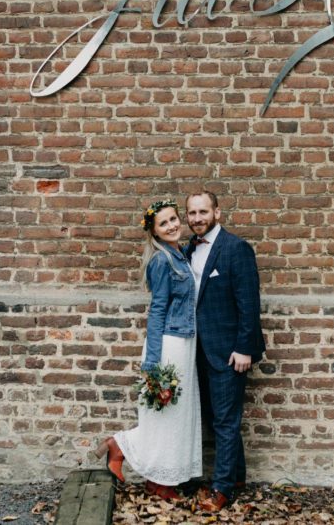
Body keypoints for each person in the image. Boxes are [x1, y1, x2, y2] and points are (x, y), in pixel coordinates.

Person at [94, 199, 202, 500]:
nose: (172, 226)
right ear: (154, 232)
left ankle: (157, 481)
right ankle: (124, 448)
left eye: (173, 219)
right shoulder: (161, 261)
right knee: (167, 415)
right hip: (169, 345)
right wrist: (153, 365)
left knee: (177, 415)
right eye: (163, 223)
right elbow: (156, 312)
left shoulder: (179, 254)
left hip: (185, 343)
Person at [184, 191, 266, 512]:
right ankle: (238, 476)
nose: (197, 218)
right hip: (201, 352)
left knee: (226, 421)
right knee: (219, 418)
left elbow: (249, 302)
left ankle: (222, 489)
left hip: (230, 353)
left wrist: (244, 348)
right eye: (191, 213)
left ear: (217, 213)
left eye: (203, 211)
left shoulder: (236, 249)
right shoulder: (190, 249)